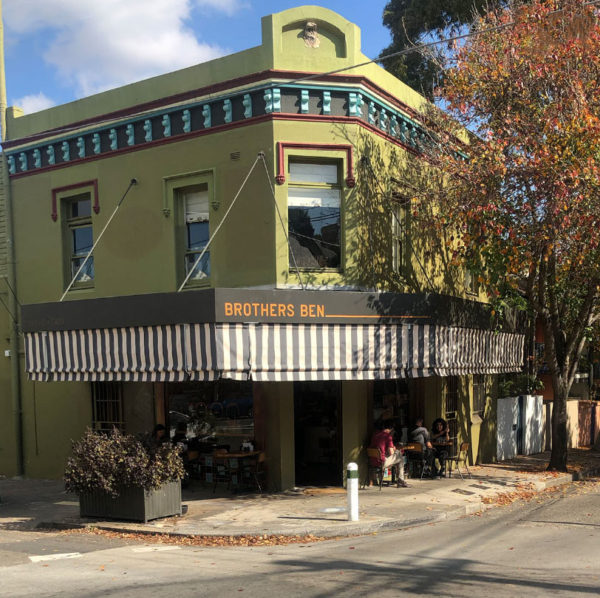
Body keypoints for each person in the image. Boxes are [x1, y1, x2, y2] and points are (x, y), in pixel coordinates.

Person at [370, 420, 408, 488]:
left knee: (398, 458)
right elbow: (391, 452)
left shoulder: (375, 435)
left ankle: (399, 479)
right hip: (382, 462)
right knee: (399, 455)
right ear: (391, 429)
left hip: (372, 461)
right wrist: (394, 448)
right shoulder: (387, 436)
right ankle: (400, 480)